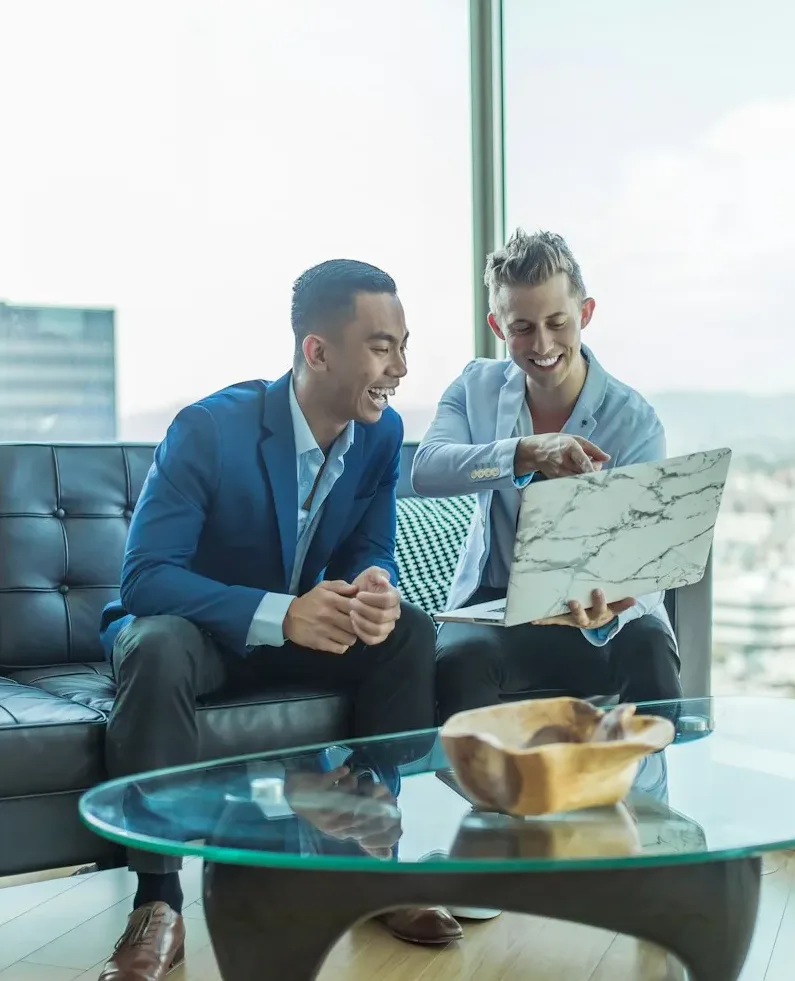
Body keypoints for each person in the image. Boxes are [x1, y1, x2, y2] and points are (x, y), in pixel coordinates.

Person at [97, 260, 458, 981]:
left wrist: (374, 585)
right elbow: (145, 577)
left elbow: (369, 545)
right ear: (317, 351)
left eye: (404, 344)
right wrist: (279, 614)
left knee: (409, 630)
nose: (401, 367)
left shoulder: (381, 435)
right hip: (198, 631)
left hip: (298, 630)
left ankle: (368, 851)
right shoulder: (208, 428)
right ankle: (157, 904)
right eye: (382, 346)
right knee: (157, 646)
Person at [412, 229, 682, 724]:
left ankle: (647, 799)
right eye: (522, 327)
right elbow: (427, 470)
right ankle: (483, 801)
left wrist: (614, 605)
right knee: (459, 661)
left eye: (558, 322)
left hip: (599, 611)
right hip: (496, 607)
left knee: (649, 648)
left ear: (586, 313)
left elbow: (648, 561)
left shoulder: (635, 421)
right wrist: (524, 453)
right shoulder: (475, 388)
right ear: (497, 325)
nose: (542, 344)